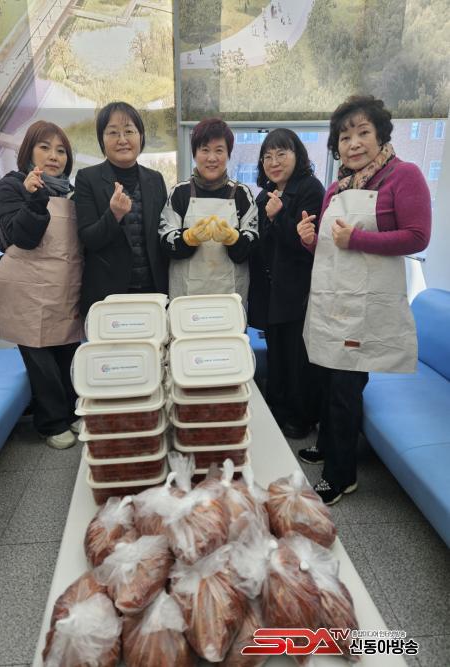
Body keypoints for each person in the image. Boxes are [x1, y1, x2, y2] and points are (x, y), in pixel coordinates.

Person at [297, 95, 431, 505]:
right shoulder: (337, 186)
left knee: (345, 387)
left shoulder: (403, 176)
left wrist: (357, 238)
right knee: (327, 378)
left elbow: (417, 236)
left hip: (367, 305)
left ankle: (341, 476)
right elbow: (328, 247)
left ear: (381, 135)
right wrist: (309, 240)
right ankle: (329, 446)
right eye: (344, 136)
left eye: (362, 133)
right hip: (332, 299)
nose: (353, 143)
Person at [0, 121, 83, 449]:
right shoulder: (12, 185)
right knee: (41, 362)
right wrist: (34, 199)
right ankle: (51, 423)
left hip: (62, 286)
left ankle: (72, 412)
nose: (53, 156)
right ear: (28, 151)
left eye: (61, 150)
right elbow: (21, 237)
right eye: (44, 147)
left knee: (68, 353)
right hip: (26, 289)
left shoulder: (71, 192)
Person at [248, 128, 325, 438]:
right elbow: (261, 245)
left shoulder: (311, 189)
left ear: (298, 155)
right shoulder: (264, 195)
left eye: (281, 154)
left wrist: (279, 216)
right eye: (267, 156)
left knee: (297, 358)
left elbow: (306, 245)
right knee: (277, 353)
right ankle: (277, 410)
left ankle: (301, 416)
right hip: (271, 291)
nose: (274, 162)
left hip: (298, 291)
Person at [75, 101, 168, 315]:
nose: (122, 140)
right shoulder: (87, 178)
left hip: (153, 292)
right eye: (113, 133)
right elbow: (88, 238)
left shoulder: (155, 179)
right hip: (107, 294)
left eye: (129, 131)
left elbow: (161, 236)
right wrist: (114, 214)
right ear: (102, 140)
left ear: (141, 136)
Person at [159, 117, 258, 303]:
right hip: (186, 295)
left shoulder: (242, 194)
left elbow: (252, 245)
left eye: (219, 150)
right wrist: (187, 238)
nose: (212, 158)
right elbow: (165, 240)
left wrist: (234, 239)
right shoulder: (180, 192)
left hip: (230, 296)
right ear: (195, 154)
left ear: (228, 154)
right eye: (205, 150)